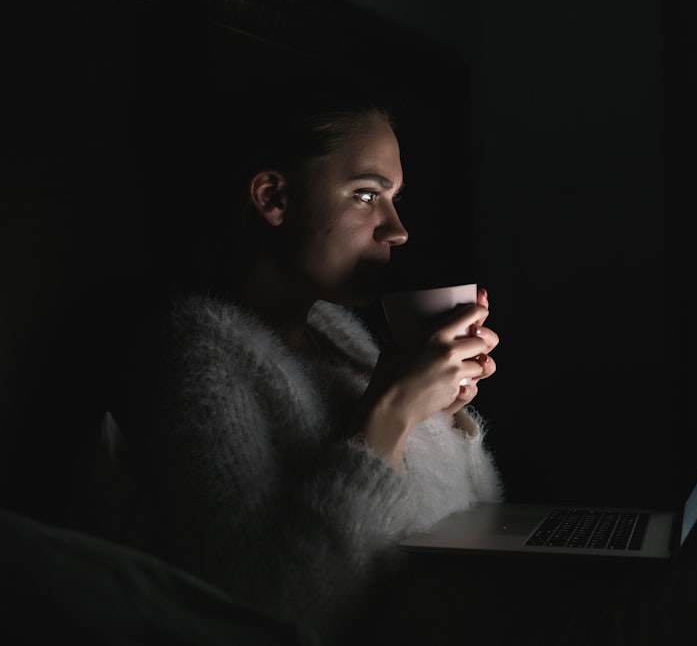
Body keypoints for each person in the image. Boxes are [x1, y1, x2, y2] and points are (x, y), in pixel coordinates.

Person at [87, 84, 504, 642]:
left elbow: (475, 516)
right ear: (273, 198)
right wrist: (391, 414)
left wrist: (447, 411)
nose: (396, 229)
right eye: (365, 195)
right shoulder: (198, 352)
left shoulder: (336, 331)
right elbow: (272, 608)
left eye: (394, 199)